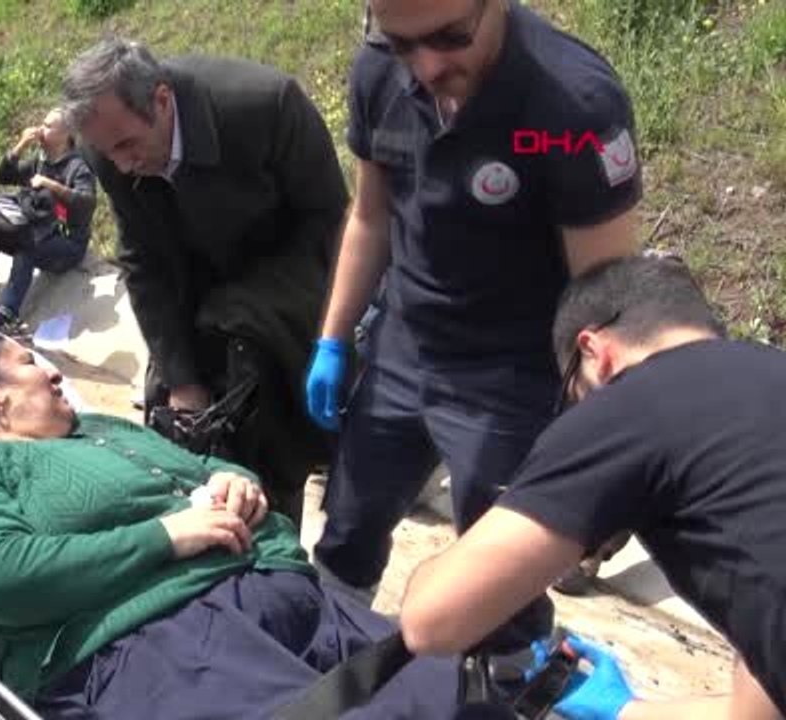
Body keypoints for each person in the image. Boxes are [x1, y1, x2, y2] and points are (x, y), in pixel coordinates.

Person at [304, 0, 644, 659]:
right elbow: (371, 217)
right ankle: (327, 652)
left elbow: (603, 298)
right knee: (348, 527)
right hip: (405, 346)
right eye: (402, 43)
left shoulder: (572, 106)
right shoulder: (379, 72)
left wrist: (600, 439)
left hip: (511, 377)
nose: (427, 65)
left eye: (450, 37)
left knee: (496, 586)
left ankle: (507, 682)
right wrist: (333, 338)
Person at [0, 333, 476, 719]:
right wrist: (166, 538)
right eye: (30, 363)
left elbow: (199, 467)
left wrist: (236, 481)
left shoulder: (101, 429)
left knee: (456, 693)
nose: (54, 372)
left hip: (286, 595)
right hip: (152, 640)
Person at [399, 255, 786, 720]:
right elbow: (757, 709)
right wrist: (624, 708)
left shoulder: (632, 403)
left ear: (594, 351)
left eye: (572, 393)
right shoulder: (766, 388)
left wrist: (430, 574)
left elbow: (431, 623)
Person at [60, 36, 348, 526]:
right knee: (178, 439)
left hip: (283, 287)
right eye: (109, 154)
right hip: (190, 294)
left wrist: (326, 334)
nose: (123, 165)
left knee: (263, 448)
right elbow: (143, 262)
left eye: (127, 145)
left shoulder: (264, 106)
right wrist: (181, 379)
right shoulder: (108, 143)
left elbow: (331, 223)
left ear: (162, 100)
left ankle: (274, 551)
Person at [0, 108, 97, 333]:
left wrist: (50, 185)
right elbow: (2, 176)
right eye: (42, 124)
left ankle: (8, 313)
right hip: (39, 231)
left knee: (26, 244)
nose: (40, 129)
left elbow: (86, 203)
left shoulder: (77, 167)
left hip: (67, 243)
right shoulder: (40, 160)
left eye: (48, 126)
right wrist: (21, 146)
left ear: (66, 134)